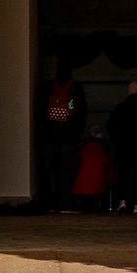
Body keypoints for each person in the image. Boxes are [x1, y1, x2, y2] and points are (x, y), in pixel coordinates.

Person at [35, 55, 86, 210]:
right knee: (67, 171)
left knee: (51, 171)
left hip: (50, 136)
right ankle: (66, 203)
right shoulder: (75, 88)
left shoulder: (48, 87)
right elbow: (81, 112)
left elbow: (40, 112)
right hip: (69, 137)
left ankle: (51, 202)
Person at [105, 81, 137, 215]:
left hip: (124, 147)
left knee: (122, 175)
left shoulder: (120, 108)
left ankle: (122, 201)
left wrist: (117, 140)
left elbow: (111, 127)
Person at [72, 130, 111, 212]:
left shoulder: (82, 150)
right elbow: (108, 166)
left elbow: (75, 165)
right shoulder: (102, 152)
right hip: (98, 184)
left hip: (82, 184)